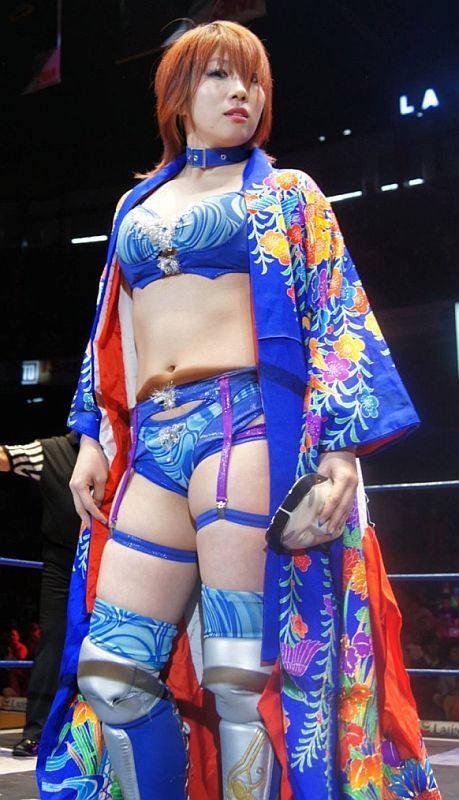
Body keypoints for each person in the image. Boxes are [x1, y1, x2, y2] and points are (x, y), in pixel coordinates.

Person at [37, 20, 440, 800]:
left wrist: (340, 448)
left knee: (238, 679)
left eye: (252, 80)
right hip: (153, 440)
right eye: (220, 76)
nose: (241, 93)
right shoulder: (133, 206)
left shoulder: (289, 193)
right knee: (112, 677)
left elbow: (334, 312)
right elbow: (109, 334)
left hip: (245, 427)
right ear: (177, 95)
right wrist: (90, 435)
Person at [0, 433, 80, 756]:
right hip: (61, 561)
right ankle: (37, 731)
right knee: (52, 640)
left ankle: (94, 730)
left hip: (109, 558)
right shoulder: (52, 452)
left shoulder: (122, 447)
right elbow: (6, 456)